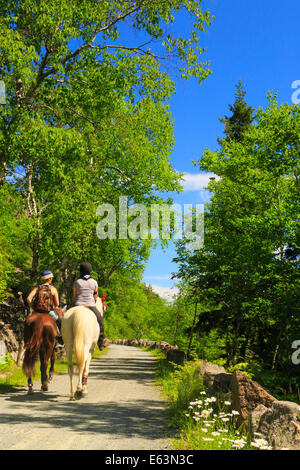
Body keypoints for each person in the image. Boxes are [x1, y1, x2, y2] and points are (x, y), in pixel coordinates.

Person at [73, 262, 105, 349]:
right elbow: (95, 297)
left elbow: (75, 296)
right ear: (90, 271)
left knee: (65, 318)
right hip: (91, 306)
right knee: (101, 321)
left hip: (78, 305)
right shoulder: (94, 282)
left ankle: (62, 340)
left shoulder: (76, 282)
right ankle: (100, 342)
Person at [27, 270, 62, 339]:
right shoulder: (53, 289)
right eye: (51, 278)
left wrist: (32, 306)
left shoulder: (37, 288)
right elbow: (57, 303)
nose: (51, 279)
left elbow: (28, 298)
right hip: (49, 312)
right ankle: (59, 338)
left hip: (37, 312)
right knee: (58, 320)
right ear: (49, 279)